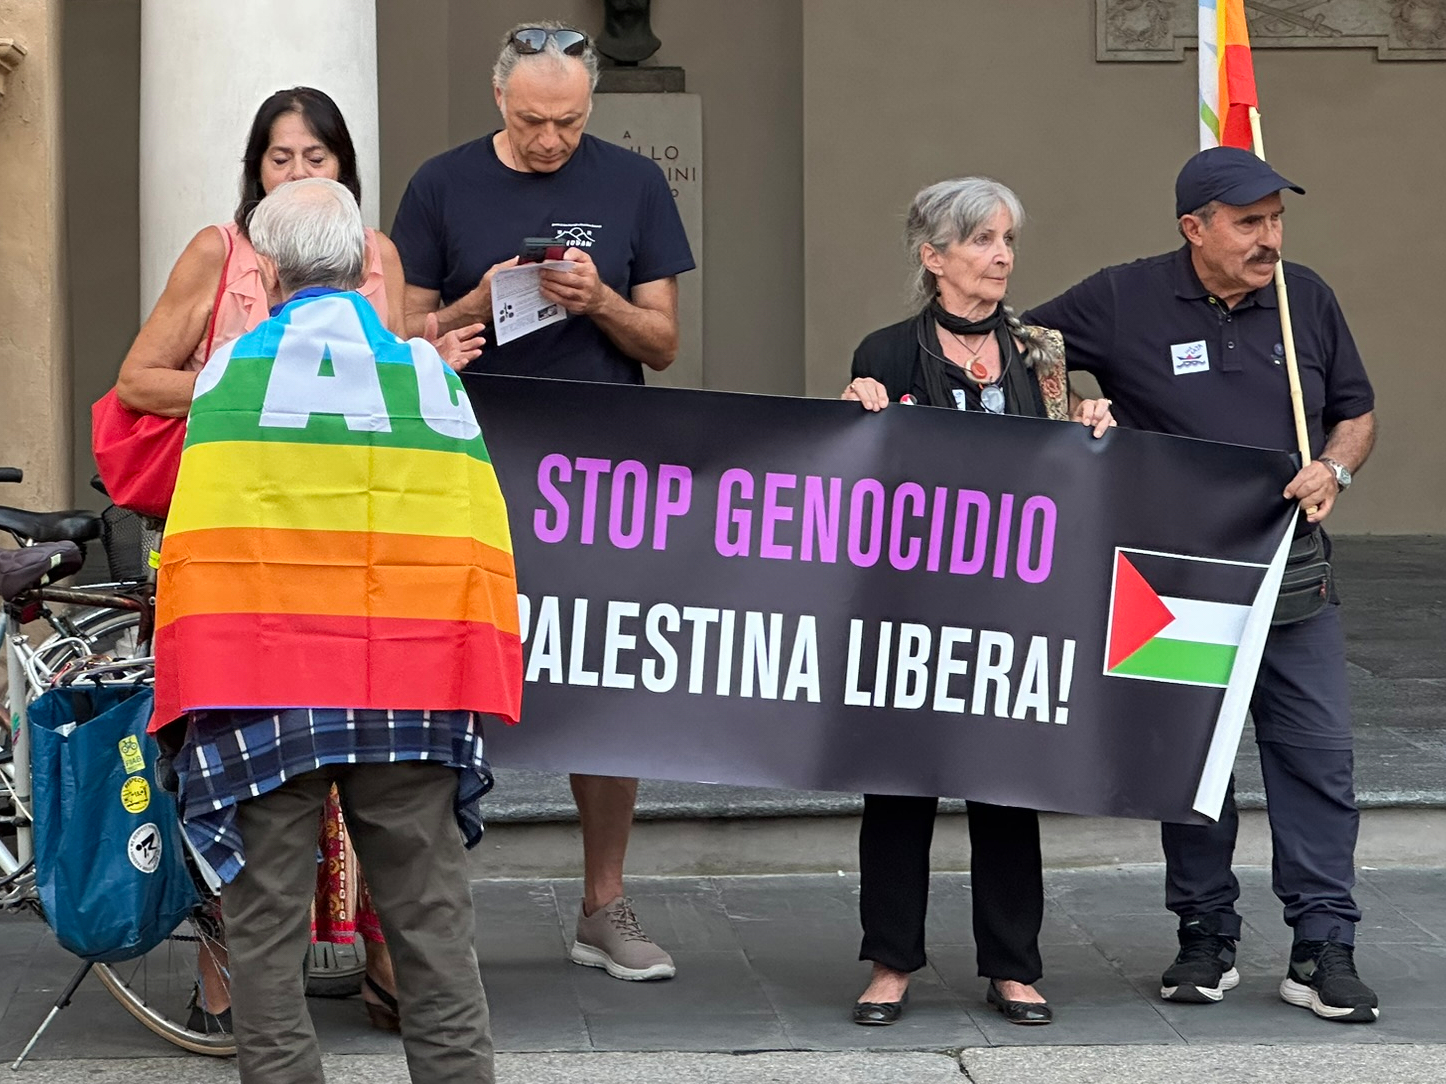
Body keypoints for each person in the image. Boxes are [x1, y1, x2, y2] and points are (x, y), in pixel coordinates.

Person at [114, 86, 481, 1032]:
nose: (298, 170)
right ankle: (230, 984)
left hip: (317, 603)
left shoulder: (370, 266)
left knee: (312, 859)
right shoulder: (222, 257)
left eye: (316, 157)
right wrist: (246, 379)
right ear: (257, 171)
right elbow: (138, 379)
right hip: (304, 590)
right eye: (281, 158)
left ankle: (377, 970)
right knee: (300, 844)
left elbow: (374, 395)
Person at [159, 177, 518, 1083]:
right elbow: (474, 540)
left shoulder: (226, 376)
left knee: (265, 942)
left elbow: (202, 544)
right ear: (364, 264)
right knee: (433, 933)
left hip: (263, 689)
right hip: (407, 682)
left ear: (269, 273)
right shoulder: (428, 376)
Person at [1024, 146, 1378, 1023]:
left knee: (1317, 763)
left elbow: (1356, 412)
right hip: (1175, 584)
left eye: (1277, 220)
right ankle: (1204, 934)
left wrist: (1335, 466)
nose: (1271, 239)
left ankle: (1323, 946)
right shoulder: (1123, 298)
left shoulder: (1305, 299)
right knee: (1190, 766)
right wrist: (1076, 408)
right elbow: (1015, 346)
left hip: (1292, 579)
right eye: (1249, 223)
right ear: (1194, 227)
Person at [390, 21, 695, 981]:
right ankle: (433, 914)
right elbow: (395, 334)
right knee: (447, 673)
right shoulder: (441, 184)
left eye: (568, 121)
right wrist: (472, 306)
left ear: (590, 106)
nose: (551, 140)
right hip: (469, 460)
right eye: (532, 121)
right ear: (499, 99)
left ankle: (604, 903)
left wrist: (600, 300)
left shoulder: (632, 183)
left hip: (599, 474)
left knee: (604, 677)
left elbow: (664, 344)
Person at [841, 177, 1115, 1027]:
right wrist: (855, 416)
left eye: (1007, 240)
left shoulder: (1042, 354)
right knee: (898, 786)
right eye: (981, 240)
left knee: (1007, 782)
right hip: (912, 605)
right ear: (934, 257)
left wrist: (1093, 420)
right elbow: (861, 481)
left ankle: (1012, 967)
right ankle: (890, 963)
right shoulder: (887, 352)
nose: (1000, 257)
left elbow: (1074, 461)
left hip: (1016, 606)